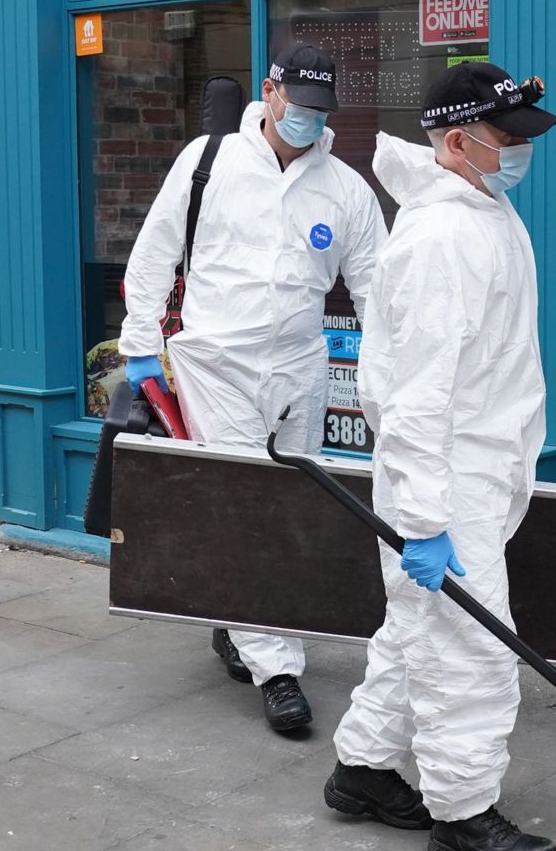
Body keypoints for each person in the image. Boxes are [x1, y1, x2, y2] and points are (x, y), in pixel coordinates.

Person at [324, 61, 556, 851]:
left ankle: (361, 766)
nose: (520, 151)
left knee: (416, 626)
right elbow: (417, 395)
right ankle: (461, 814)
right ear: (458, 142)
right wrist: (425, 519)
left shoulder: (480, 208)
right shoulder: (444, 235)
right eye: (507, 138)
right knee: (473, 648)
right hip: (446, 477)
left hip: (474, 470)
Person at [117, 42, 384, 733]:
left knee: (291, 510)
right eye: (297, 105)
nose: (308, 120)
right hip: (216, 363)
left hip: (299, 366)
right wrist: (140, 346)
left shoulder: (345, 189)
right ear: (270, 91)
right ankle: (280, 670)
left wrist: (392, 378)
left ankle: (234, 620)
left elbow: (378, 294)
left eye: (320, 110)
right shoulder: (208, 162)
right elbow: (153, 253)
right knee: (246, 506)